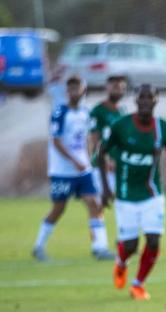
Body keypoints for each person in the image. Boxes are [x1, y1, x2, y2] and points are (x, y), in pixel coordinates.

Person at [98, 84, 166, 301]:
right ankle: (121, 263)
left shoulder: (163, 129)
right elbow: (100, 153)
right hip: (125, 195)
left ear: (157, 99)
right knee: (130, 246)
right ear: (135, 100)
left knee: (153, 241)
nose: (146, 101)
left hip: (152, 195)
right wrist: (104, 189)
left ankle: (138, 284)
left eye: (150, 97)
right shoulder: (121, 126)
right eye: (142, 97)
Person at [32, 75, 113, 262]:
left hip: (83, 171)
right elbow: (57, 141)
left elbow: (87, 141)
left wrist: (92, 160)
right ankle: (38, 247)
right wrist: (74, 160)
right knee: (58, 209)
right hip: (62, 171)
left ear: (84, 90)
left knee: (95, 204)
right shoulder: (60, 112)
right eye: (70, 89)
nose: (73, 92)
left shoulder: (86, 113)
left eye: (77, 89)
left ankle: (99, 248)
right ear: (66, 92)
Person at [90, 75, 128, 205]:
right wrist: (106, 160)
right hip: (102, 166)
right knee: (99, 204)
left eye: (122, 88)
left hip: (119, 165)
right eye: (115, 87)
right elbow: (95, 139)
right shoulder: (98, 111)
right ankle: (98, 226)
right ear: (107, 88)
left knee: (124, 204)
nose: (118, 91)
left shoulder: (123, 110)